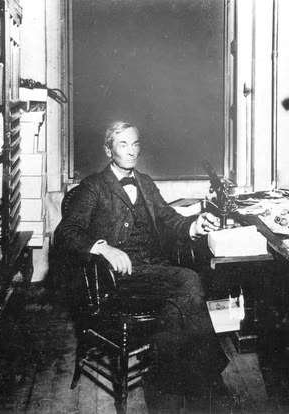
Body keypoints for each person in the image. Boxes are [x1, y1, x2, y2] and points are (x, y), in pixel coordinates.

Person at [54, 121, 228, 400]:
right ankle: (209, 383)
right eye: (123, 144)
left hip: (153, 270)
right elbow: (66, 233)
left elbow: (169, 220)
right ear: (108, 150)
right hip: (116, 278)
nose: (131, 151)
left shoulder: (145, 182)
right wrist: (103, 249)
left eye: (135, 144)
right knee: (189, 280)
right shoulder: (93, 186)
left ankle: (166, 387)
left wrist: (195, 225)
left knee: (176, 311)